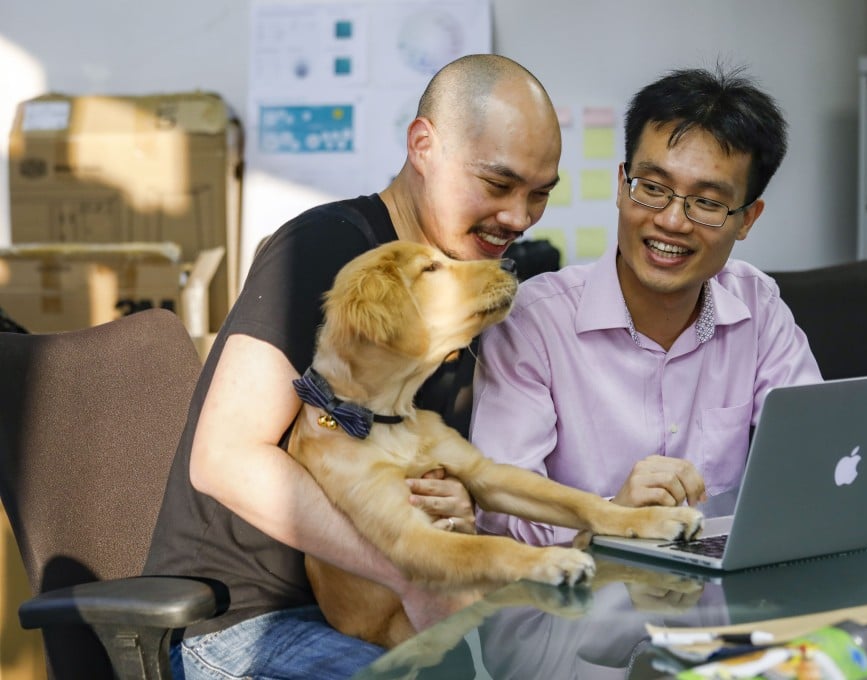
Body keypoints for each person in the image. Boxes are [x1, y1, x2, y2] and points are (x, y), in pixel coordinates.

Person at [143, 53, 561, 680]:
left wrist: (454, 507)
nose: (519, 218)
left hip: (366, 612)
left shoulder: (459, 291)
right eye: (498, 186)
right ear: (424, 145)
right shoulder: (326, 250)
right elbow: (224, 457)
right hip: (243, 620)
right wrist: (409, 568)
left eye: (540, 195)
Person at [470, 65, 823, 547]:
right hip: (579, 604)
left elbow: (814, 460)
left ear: (747, 220)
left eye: (707, 202)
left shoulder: (757, 308)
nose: (672, 222)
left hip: (721, 599)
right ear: (622, 185)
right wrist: (613, 516)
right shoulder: (534, 323)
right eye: (652, 188)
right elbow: (497, 514)